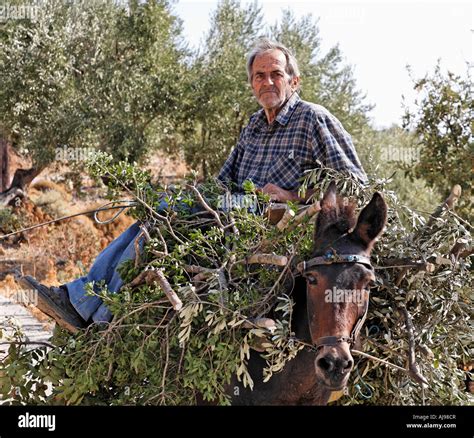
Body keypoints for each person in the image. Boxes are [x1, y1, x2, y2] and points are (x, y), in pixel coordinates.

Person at [18, 38, 367, 332]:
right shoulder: (254, 126)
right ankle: (86, 303)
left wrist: (294, 196)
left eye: (277, 74)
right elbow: (222, 184)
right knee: (158, 216)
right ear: (251, 84)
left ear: (294, 80)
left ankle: (87, 306)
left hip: (278, 224)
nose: (268, 82)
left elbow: (355, 183)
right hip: (235, 214)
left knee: (167, 213)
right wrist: (192, 195)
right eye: (259, 76)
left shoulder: (313, 119)